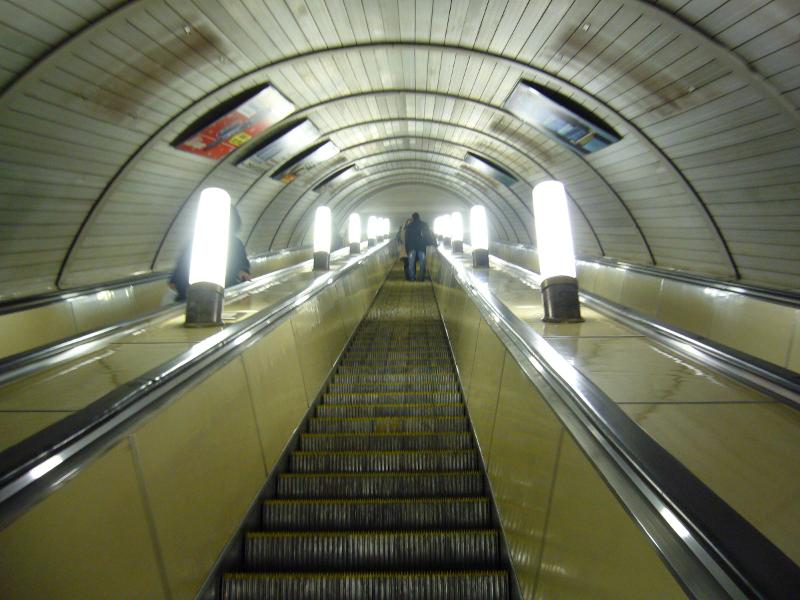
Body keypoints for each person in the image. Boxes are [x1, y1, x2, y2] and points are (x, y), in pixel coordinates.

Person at [169, 207, 252, 301]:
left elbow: (176, 278)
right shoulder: (196, 242)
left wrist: (243, 272)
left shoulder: (235, 244)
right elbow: (179, 275)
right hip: (215, 299)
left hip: (207, 299)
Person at [404, 212, 434, 281]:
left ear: (412, 218)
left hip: (411, 247)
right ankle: (421, 277)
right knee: (422, 263)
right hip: (421, 247)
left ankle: (412, 277)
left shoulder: (409, 226)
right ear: (419, 217)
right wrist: (431, 243)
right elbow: (428, 235)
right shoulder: (424, 225)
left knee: (411, 264)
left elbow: (406, 239)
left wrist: (407, 249)